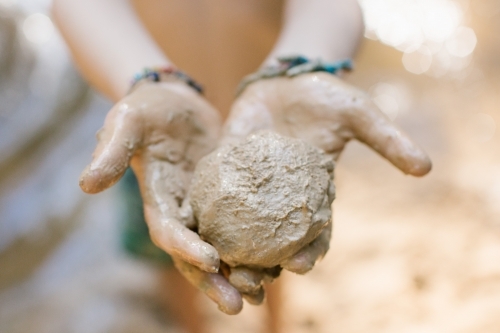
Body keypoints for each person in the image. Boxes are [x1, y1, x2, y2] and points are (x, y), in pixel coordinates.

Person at [52, 0, 432, 332]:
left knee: (277, 248)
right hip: (157, 141)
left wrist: (303, 62)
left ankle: (275, 326)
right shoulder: (154, 134)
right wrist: (146, 80)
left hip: (275, 124)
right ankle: (194, 327)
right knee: (171, 254)